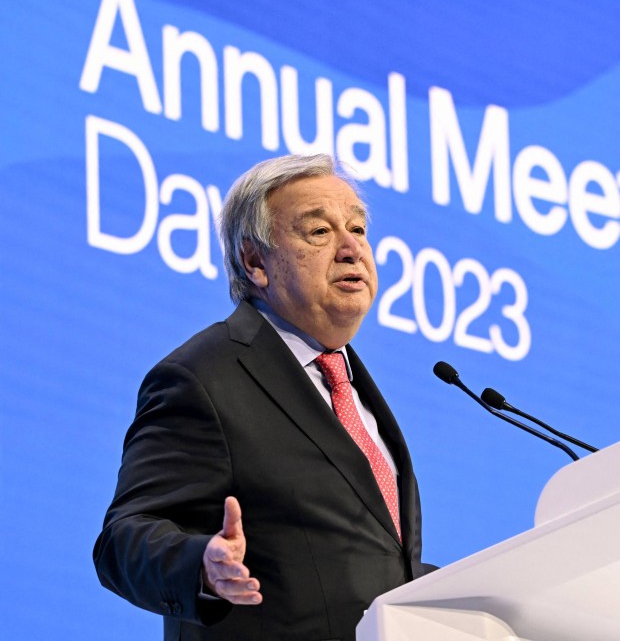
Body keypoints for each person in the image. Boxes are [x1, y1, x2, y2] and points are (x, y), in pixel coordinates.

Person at [94, 154, 427, 641]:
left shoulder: (353, 388)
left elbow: (364, 561)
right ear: (255, 262)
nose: (352, 247)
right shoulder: (203, 377)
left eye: (357, 228)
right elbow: (123, 540)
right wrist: (203, 567)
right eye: (319, 232)